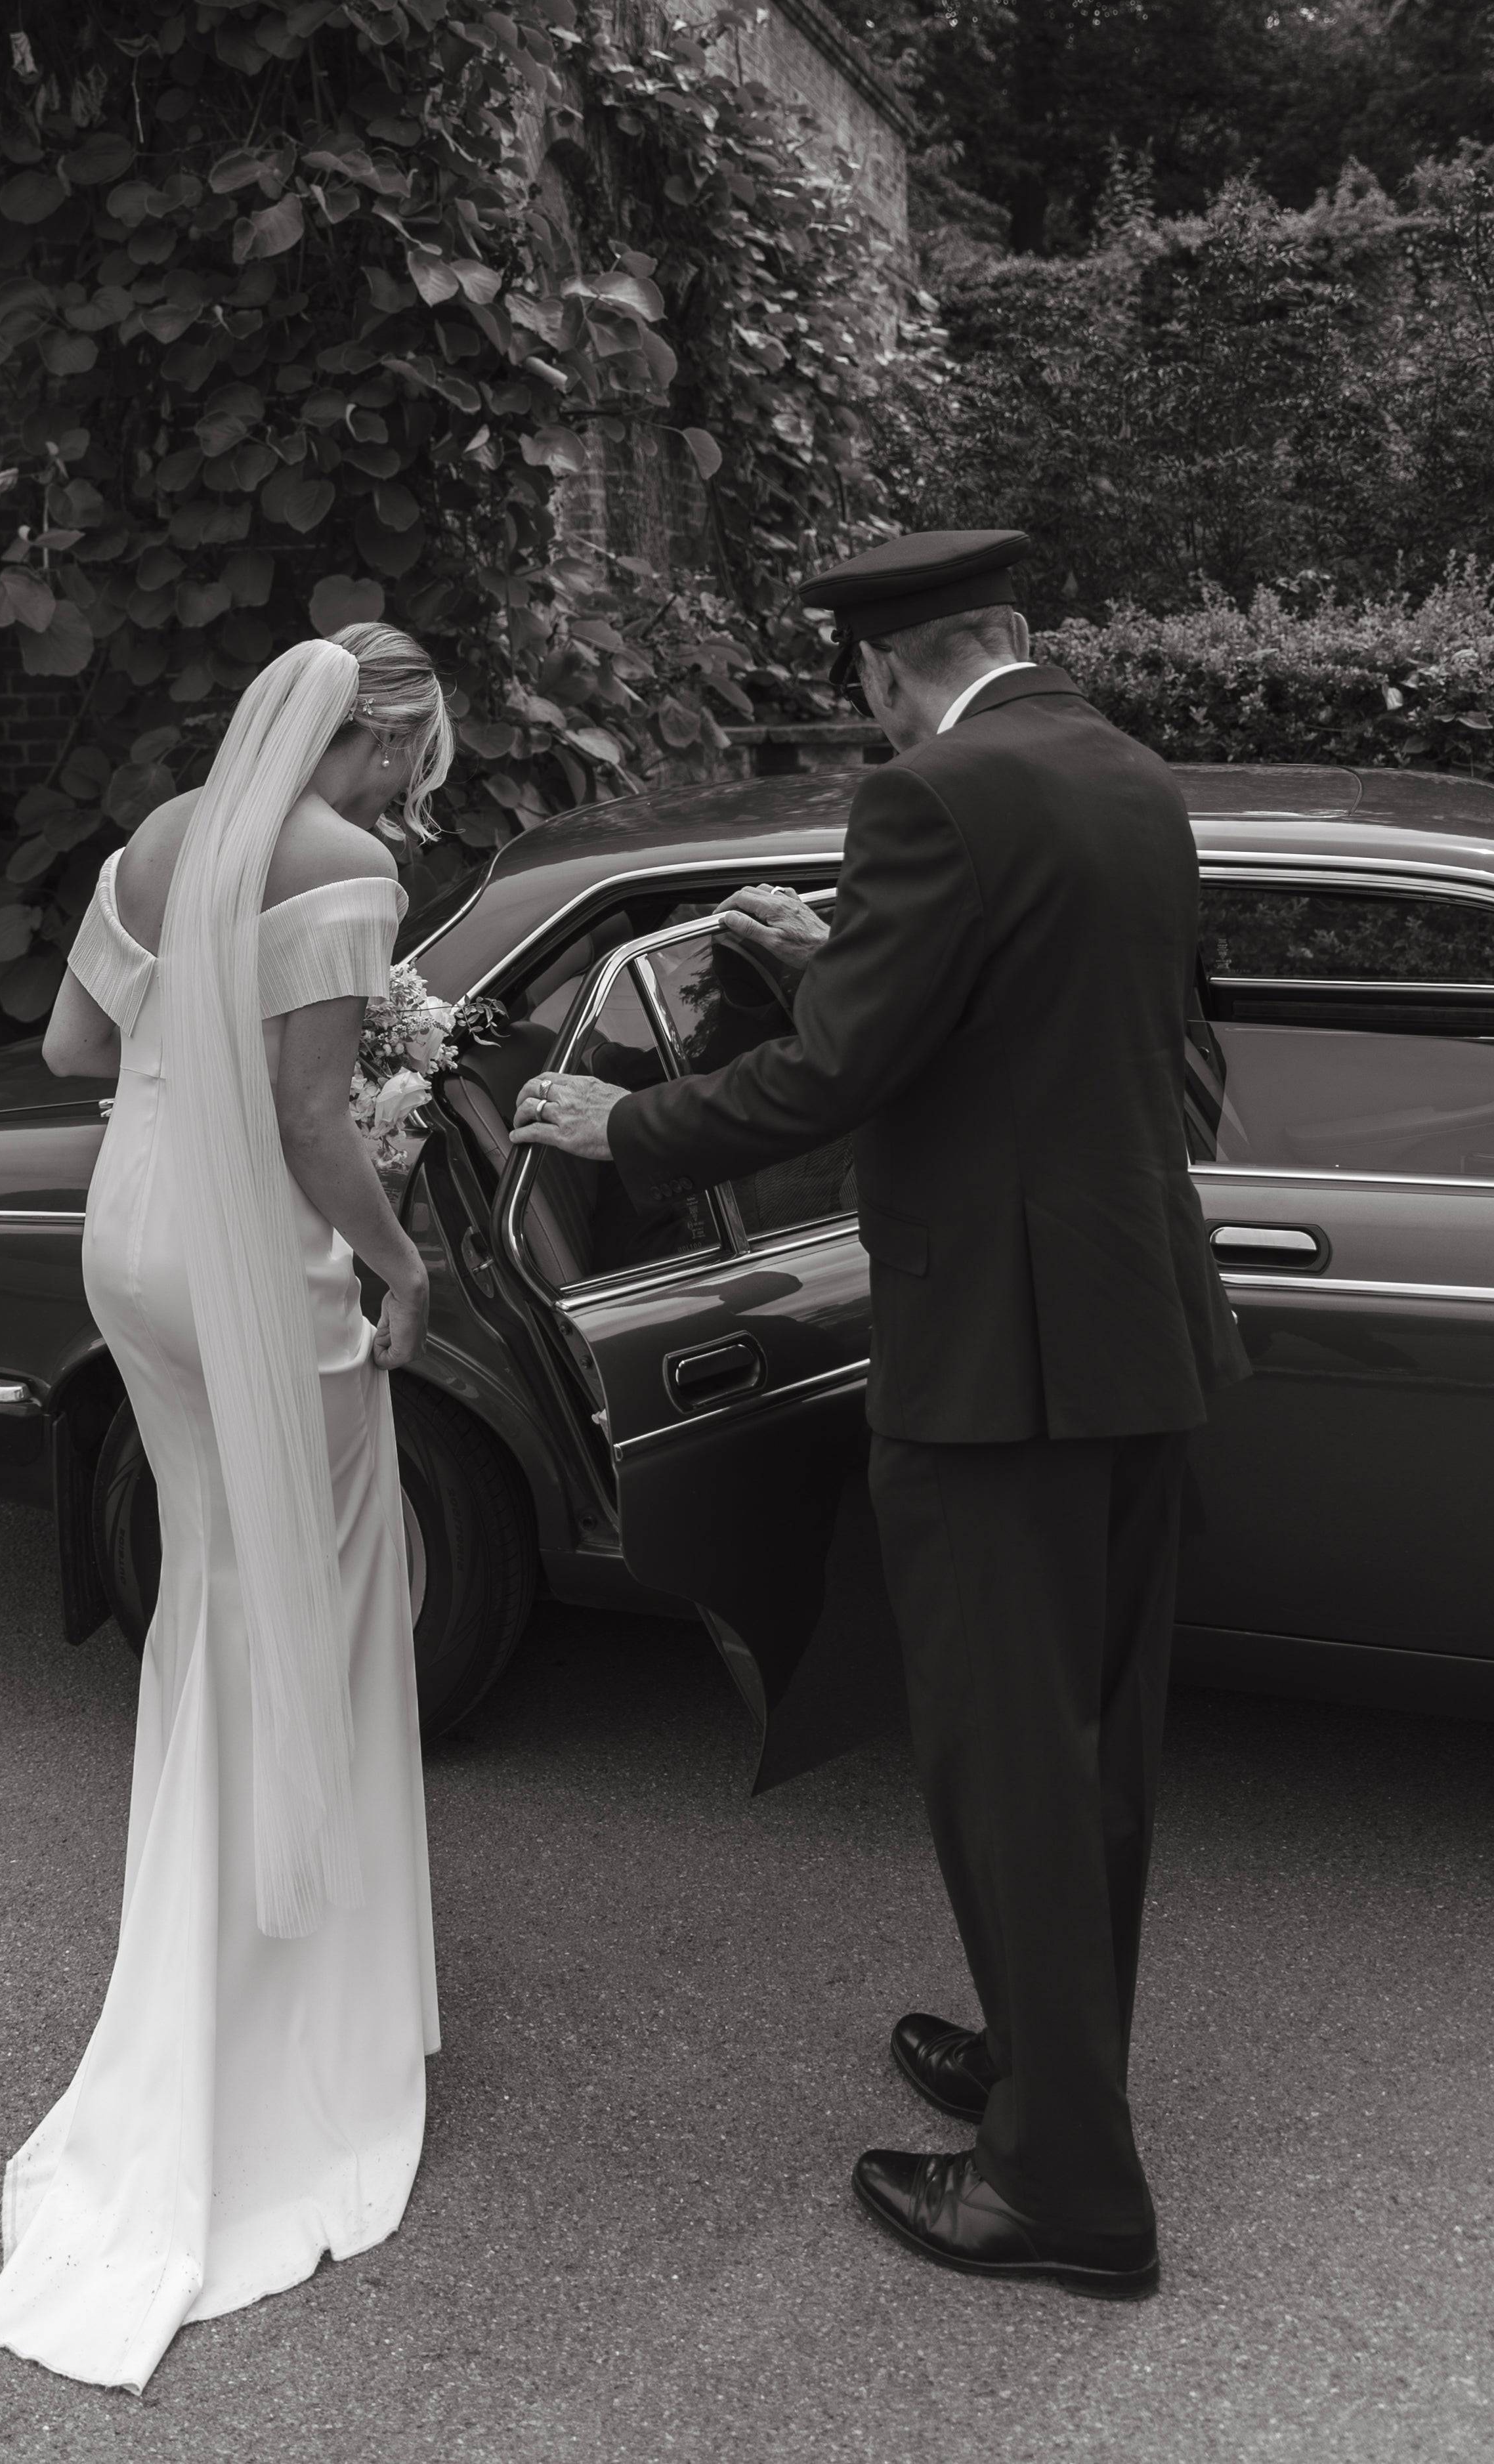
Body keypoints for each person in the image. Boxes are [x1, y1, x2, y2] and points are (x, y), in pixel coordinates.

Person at [511, 529, 1248, 2302]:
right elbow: (1031, 1008)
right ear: (1010, 633)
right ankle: (1042, 2065)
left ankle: (1063, 2196)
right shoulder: (1119, 773)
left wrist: (625, 1129)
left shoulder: (928, 796)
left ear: (878, 671)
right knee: (1087, 1753)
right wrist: (836, 940)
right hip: (1138, 1336)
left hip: (996, 1366)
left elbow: (839, 1076)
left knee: (1005, 1768)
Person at [0, 624, 448, 2392]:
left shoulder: (171, 831)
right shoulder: (350, 866)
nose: (417, 790)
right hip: (258, 1260)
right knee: (307, 1595)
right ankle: (292, 2002)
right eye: (420, 758)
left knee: (212, 1591)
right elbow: (316, 1123)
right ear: (377, 742)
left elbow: (69, 1047)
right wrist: (400, 1261)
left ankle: (217, 1946)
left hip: (133, 1239)